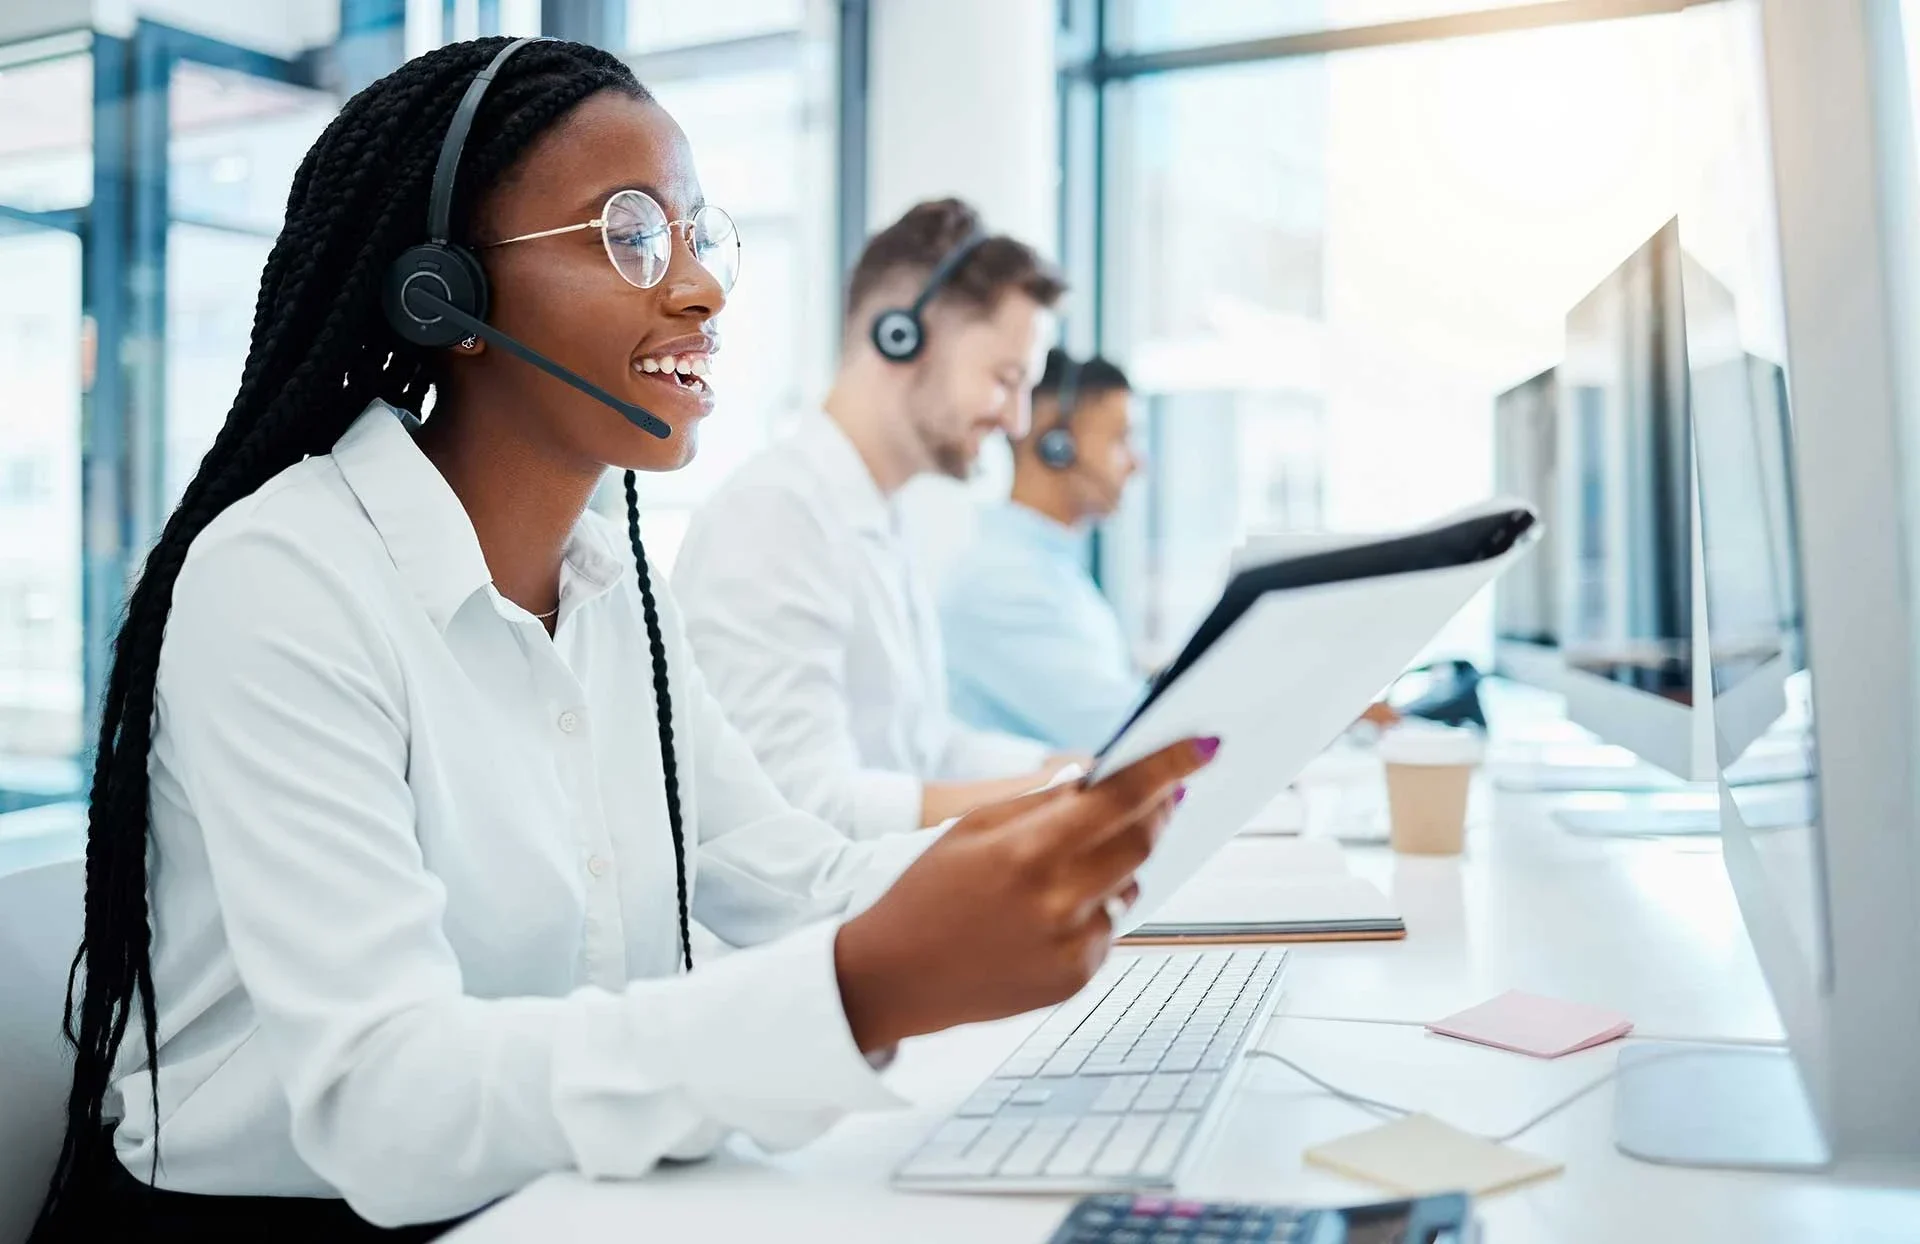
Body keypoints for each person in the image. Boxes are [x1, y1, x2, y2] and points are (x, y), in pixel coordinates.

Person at [29, 38, 1214, 1242]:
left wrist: (1067, 846)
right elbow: (384, 1100)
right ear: (446, 294)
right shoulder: (281, 579)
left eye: (700, 233)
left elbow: (781, 870)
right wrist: (860, 987)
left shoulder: (610, 585)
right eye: (632, 232)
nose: (701, 285)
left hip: (544, 1192)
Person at [672, 199, 1075, 838]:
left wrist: (1074, 771)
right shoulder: (774, 519)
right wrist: (1057, 798)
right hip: (796, 934)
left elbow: (925, 748)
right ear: (901, 334)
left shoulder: (874, 513)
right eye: (1005, 378)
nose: (1018, 423)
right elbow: (802, 808)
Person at [941, 349, 1146, 753]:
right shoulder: (1001, 582)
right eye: (1120, 439)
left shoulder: (1049, 564)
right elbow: (1124, 733)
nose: (1136, 464)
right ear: (1057, 444)